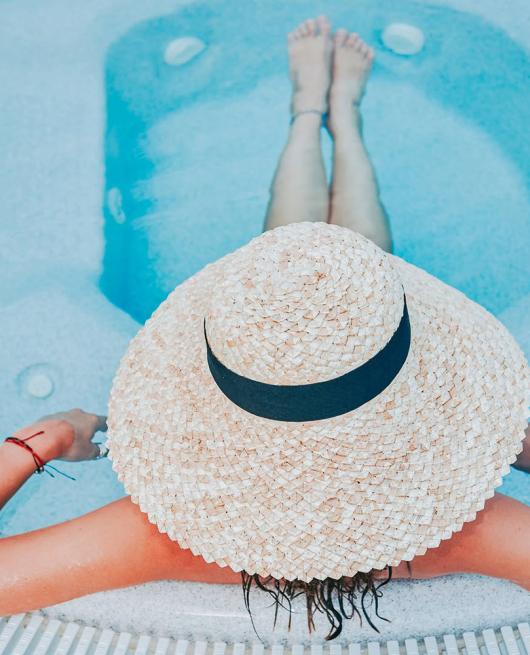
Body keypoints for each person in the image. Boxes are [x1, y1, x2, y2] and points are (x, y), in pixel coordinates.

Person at [1, 16, 529, 640]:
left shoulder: (159, 540)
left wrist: (50, 438)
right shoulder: (468, 531)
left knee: (295, 292)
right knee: (339, 297)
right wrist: (511, 441)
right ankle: (342, 122)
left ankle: (310, 113)